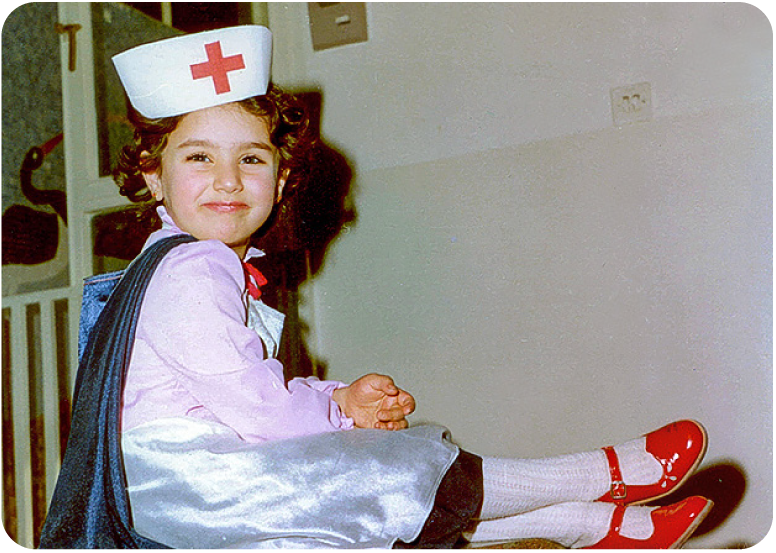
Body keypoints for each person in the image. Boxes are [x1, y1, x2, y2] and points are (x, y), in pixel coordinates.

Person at [40, 25, 714, 551]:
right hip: (194, 487)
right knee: (385, 471)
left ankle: (598, 529)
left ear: (279, 183)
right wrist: (343, 415)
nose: (226, 179)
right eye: (198, 157)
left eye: (250, 158)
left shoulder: (174, 262)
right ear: (154, 177)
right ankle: (602, 473)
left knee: (369, 514)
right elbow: (262, 412)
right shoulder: (194, 268)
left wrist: (339, 397)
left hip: (197, 483)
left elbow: (245, 394)